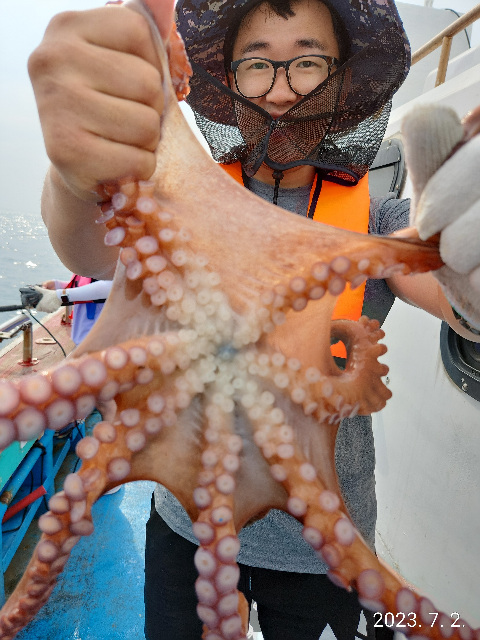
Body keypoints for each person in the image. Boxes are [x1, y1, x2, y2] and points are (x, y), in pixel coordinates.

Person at [27, 0, 480, 638]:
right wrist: (74, 173)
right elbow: (86, 248)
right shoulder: (180, 203)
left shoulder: (378, 222)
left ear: (340, 81)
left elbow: (451, 293)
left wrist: (467, 279)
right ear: (231, 81)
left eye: (308, 62)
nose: (282, 90)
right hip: (187, 527)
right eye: (258, 64)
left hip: (324, 551)